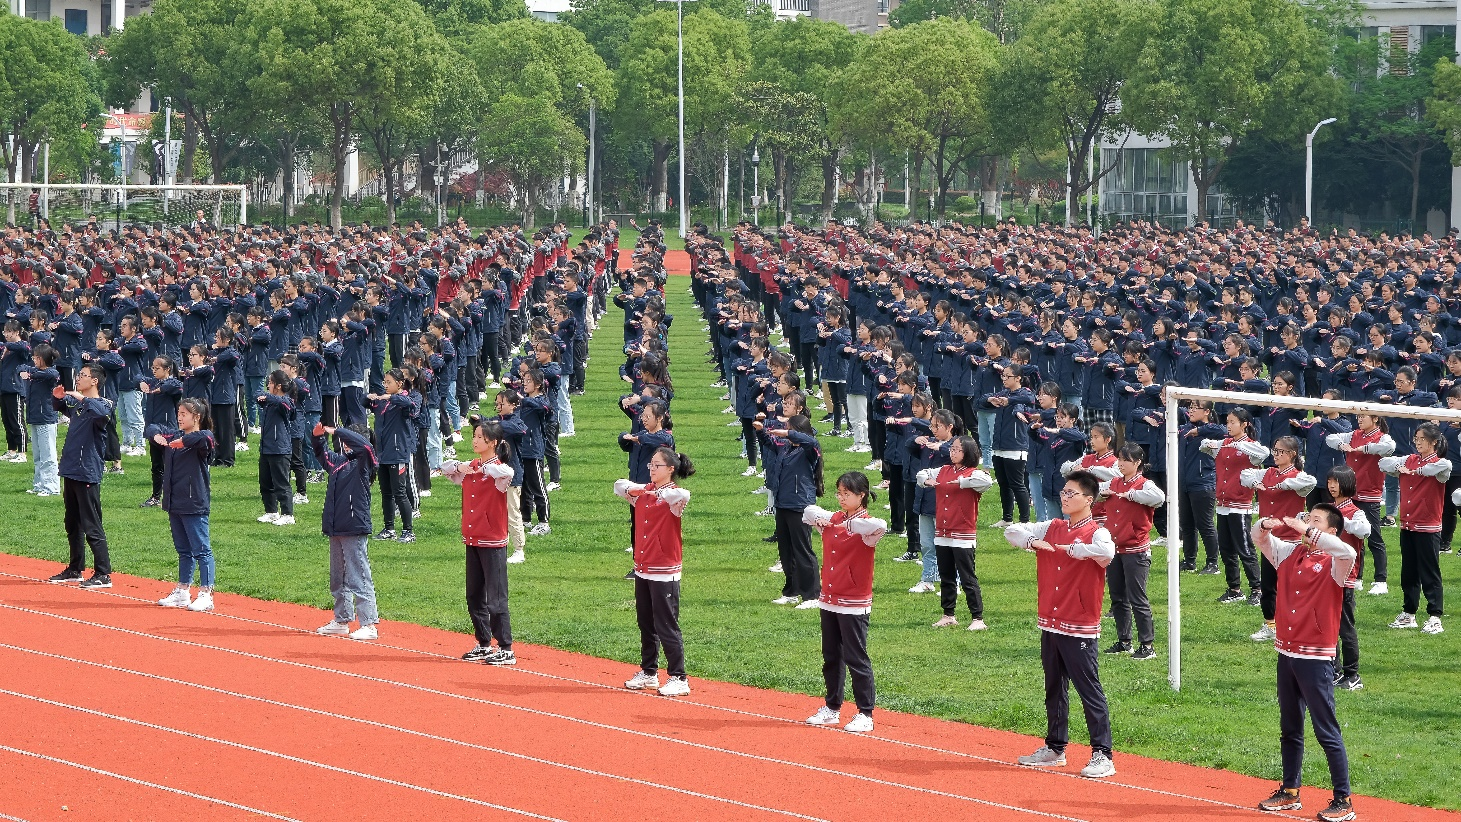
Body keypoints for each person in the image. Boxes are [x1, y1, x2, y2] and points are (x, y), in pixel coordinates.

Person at [1005, 470, 1118, 779]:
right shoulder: (1052, 526)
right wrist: (1031, 542)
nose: (1065, 498)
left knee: (1087, 688)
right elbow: (1011, 531)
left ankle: (1103, 753)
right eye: (1064, 492)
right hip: (1051, 621)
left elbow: (1107, 553)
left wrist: (1072, 550)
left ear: (1089, 499)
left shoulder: (1097, 532)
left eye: (1072, 494)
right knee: (1054, 687)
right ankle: (1055, 748)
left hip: (1079, 624)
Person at [1250, 509, 1358, 822]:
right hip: (1287, 654)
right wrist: (1264, 524)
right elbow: (1258, 538)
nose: (1307, 524)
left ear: (1332, 531)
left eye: (1316, 522)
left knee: (1326, 730)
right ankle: (1290, 792)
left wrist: (1307, 531)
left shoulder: (1337, 562)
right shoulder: (1289, 552)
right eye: (1307, 519)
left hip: (1315, 658)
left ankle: (1344, 799)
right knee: (1290, 727)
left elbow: (1348, 550)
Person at [803, 471, 887, 733]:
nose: (840, 498)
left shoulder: (867, 525)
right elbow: (807, 512)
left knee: (856, 657)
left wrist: (845, 524)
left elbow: (879, 526)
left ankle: (865, 712)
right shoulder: (834, 519)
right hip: (829, 597)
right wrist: (829, 520)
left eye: (846, 494)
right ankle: (832, 707)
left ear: (861, 496)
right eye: (838, 493)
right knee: (831, 656)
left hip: (853, 600)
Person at [616, 447, 695, 697]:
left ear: (671, 470)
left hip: (664, 570)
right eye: (651, 464)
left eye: (657, 465)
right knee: (646, 623)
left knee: (666, 625)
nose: (651, 468)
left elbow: (683, 494)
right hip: (643, 567)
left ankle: (679, 676)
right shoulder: (646, 492)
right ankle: (649, 672)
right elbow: (619, 485)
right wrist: (643, 489)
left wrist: (657, 491)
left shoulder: (673, 496)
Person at [442, 419, 519, 666]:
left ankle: (506, 647)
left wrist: (482, 468)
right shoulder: (471, 467)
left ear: (492, 443)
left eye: (479, 437)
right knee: (474, 595)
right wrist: (463, 466)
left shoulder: (498, 470)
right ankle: (484, 642)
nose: (474, 440)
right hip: (472, 539)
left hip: (492, 541)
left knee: (496, 598)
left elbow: (507, 473)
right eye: (474, 436)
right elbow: (444, 468)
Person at [1241, 435, 1316, 643]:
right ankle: (1270, 624)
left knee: (1290, 587)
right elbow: (1245, 474)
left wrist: (1284, 485)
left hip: (1289, 540)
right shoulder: (1268, 473)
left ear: (1292, 455)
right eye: (1274, 451)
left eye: (1280, 451)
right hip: (1268, 539)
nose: (1276, 455)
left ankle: (1294, 624)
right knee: (1268, 585)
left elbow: (1310, 481)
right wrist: (1257, 482)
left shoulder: (1298, 477)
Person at [1379, 422, 1450, 634]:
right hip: (1408, 525)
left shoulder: (1439, 464)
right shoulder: (1410, 459)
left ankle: (1435, 616)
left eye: (1422, 440)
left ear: (1434, 442)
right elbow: (1384, 463)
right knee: (1408, 572)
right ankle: (1409, 613)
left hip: (1428, 527)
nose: (1418, 443)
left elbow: (1442, 468)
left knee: (1429, 572)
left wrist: (1412, 471)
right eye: (1416, 439)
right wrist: (1408, 468)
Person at [48, 363, 114, 589]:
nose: (79, 379)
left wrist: (83, 399)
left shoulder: (101, 404)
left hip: (87, 472)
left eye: (83, 376)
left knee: (91, 523)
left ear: (94, 381)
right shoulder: (79, 405)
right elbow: (63, 408)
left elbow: (102, 413)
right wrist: (57, 398)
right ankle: (75, 568)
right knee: (72, 523)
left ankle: (103, 573)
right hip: (71, 470)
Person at [918, 435, 993, 630]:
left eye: (957, 449)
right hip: (942, 532)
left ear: (967, 452)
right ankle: (948, 614)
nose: (953, 452)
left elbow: (986, 482)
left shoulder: (973, 473)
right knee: (946, 576)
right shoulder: (943, 470)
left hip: (963, 534)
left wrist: (961, 482)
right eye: (952, 449)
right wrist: (926, 481)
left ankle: (978, 618)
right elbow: (922, 474)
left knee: (968, 577)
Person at [151, 398, 218, 612]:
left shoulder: (201, 441)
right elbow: (152, 427)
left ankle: (207, 593)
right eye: (178, 413)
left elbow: (206, 437)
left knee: (201, 550)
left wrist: (185, 442)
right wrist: (156, 436)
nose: (179, 417)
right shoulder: (174, 435)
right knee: (183, 550)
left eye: (184, 414)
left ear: (196, 417)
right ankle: (182, 590)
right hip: (174, 501)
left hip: (194, 502)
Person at [1099, 444, 1165, 660]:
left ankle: (1147, 645)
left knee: (1138, 598)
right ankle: (1124, 640)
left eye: (1126, 460)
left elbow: (1159, 498)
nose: (1121, 464)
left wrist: (1130, 494)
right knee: (1117, 597)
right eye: (1119, 459)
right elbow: (1094, 491)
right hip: (1115, 549)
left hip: (1136, 550)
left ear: (1137, 463)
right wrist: (1103, 493)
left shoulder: (1146, 485)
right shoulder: (1115, 482)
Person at [1201, 408, 1269, 605]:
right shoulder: (1225, 443)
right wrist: (1222, 444)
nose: (1228, 426)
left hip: (1240, 504)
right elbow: (1204, 446)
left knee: (1244, 548)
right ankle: (1234, 588)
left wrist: (1235, 445)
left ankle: (1257, 589)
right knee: (1226, 548)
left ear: (1244, 424)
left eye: (1232, 422)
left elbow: (1264, 453)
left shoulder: (1251, 446)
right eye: (1227, 422)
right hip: (1222, 502)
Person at [1327, 414, 1394, 595]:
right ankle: (1357, 577)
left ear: (1375, 419)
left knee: (1374, 538)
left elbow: (1389, 447)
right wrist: (1343, 446)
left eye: (1363, 416)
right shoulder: (1354, 434)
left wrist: (1362, 448)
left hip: (1370, 494)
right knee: (1354, 539)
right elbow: (1331, 438)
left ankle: (1381, 580)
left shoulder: (1382, 437)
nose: (1359, 419)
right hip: (1351, 493)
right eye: (1358, 416)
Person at [1326, 466, 1370, 691]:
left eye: (1336, 481)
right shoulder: (1329, 509)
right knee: (1328, 625)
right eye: (1330, 481)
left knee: (1345, 626)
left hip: (1346, 577)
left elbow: (1364, 530)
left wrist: (1339, 520)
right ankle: (1334, 669)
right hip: (1327, 576)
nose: (1332, 485)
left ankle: (1352, 674)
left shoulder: (1354, 511)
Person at [368, 368, 416, 542]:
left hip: (398, 453)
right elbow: (364, 403)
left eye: (389, 382)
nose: (385, 386)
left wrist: (391, 397)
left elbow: (410, 405)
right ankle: (389, 529)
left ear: (400, 383)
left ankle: (408, 531)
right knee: (386, 493)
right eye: (384, 382)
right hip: (383, 453)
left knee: (400, 493)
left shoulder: (404, 400)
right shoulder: (382, 402)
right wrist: (369, 397)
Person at [256, 370, 298, 526]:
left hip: (280, 449)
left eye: (271, 383)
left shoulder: (287, 401)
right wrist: (266, 398)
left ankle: (288, 514)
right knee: (265, 483)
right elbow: (257, 395)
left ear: (278, 386)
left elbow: (287, 405)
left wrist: (269, 397)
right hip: (266, 448)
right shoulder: (269, 401)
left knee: (281, 483)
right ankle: (271, 511)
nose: (268, 385)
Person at [19, 343, 60, 496]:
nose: (34, 360)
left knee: (48, 454)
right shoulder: (34, 370)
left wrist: (30, 374)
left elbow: (51, 375)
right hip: (35, 417)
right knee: (37, 455)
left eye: (36, 357)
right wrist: (26, 371)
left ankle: (51, 487)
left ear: (43, 359)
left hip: (46, 418)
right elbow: (20, 367)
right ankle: (39, 484)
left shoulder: (51, 373)